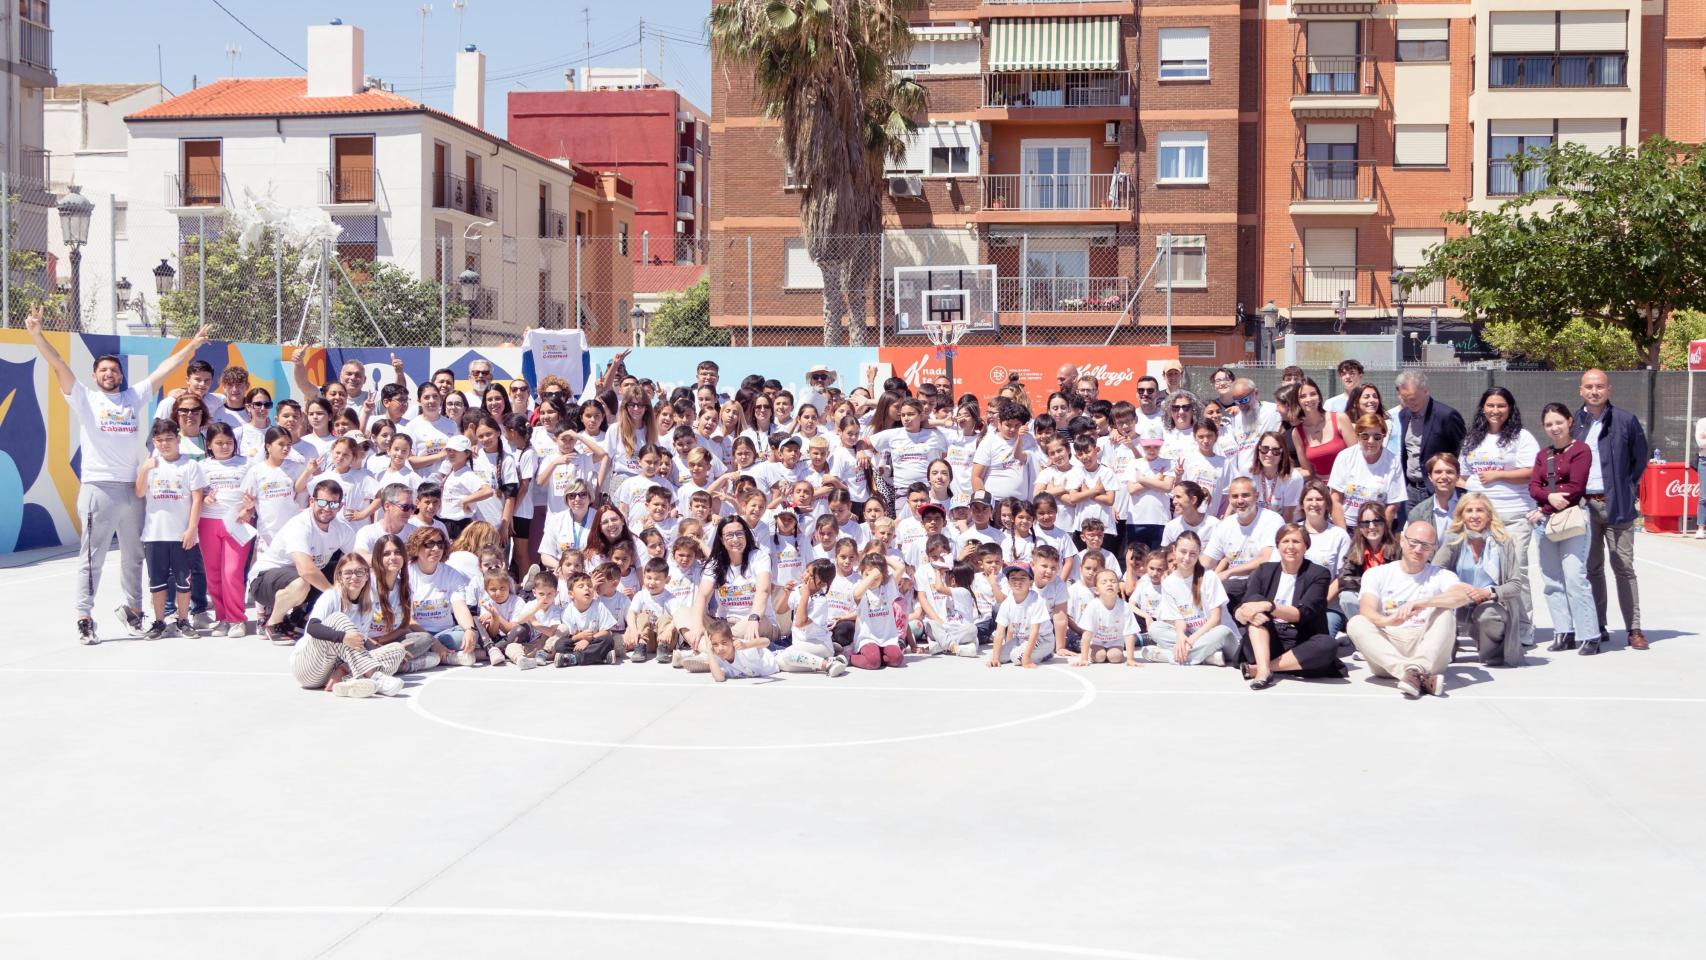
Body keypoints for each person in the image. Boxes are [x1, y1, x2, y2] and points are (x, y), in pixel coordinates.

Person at [24, 305, 210, 643]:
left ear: (121, 376)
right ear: (95, 376)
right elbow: (59, 364)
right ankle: (85, 616)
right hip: (99, 488)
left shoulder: (132, 397)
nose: (109, 373)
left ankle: (133, 611)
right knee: (92, 557)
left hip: (133, 489)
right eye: (103, 370)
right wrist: (37, 335)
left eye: (114, 369)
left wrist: (192, 346)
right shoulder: (84, 398)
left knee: (134, 556)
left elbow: (165, 368)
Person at [1346, 520, 1476, 699]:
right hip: (1388, 652)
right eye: (1413, 543)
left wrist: (1423, 603)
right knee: (1356, 622)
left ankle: (1415, 671)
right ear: (1402, 541)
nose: (1418, 549)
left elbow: (1461, 596)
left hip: (1427, 650)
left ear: (1433, 549)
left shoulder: (1441, 575)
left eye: (1425, 545)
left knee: (1445, 613)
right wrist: (1388, 621)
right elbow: (1366, 610)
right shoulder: (1377, 573)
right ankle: (1414, 673)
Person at [1572, 368, 1648, 650]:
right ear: (1581, 390)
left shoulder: (1626, 421)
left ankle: (1634, 629)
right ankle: (1598, 626)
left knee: (1624, 567)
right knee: (1592, 569)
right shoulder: (1573, 423)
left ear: (1609, 389)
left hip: (1618, 507)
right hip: (1585, 508)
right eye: (1589, 387)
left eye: (1600, 386)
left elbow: (1639, 459)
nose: (1594, 391)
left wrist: (1625, 488)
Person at [1459, 387, 1538, 644]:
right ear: (1483, 408)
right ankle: (1488, 626)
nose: (1495, 410)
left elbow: (1532, 471)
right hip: (1479, 519)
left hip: (1514, 515)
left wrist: (1498, 475)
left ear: (1510, 408)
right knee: (1483, 573)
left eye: (1501, 405)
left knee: (1516, 572)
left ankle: (1523, 627)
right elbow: (1464, 474)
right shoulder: (1472, 438)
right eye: (1490, 405)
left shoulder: (1521, 437)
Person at [1528, 402, 1602, 654]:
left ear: (1570, 422)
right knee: (1551, 580)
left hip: (1572, 521)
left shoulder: (1581, 450)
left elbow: (1576, 487)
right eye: (1549, 424)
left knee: (1574, 577)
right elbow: (1533, 487)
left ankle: (1589, 634)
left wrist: (1545, 505)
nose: (1554, 428)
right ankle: (1563, 631)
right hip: (1546, 523)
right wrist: (1548, 499)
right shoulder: (1543, 455)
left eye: (1559, 422)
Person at [1235, 523, 1343, 689]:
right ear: (1278, 545)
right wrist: (1243, 613)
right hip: (1266, 639)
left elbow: (1303, 613)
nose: (1290, 546)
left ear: (1306, 546)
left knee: (1328, 644)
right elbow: (1245, 606)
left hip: (1301, 642)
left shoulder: (1319, 574)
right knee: (1255, 610)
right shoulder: (1264, 570)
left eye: (1296, 542)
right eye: (1285, 541)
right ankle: (1264, 670)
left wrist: (1269, 606)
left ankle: (1261, 668)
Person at [249, 479, 357, 644]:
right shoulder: (300, 525)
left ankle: (299, 618)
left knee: (347, 571)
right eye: (322, 502)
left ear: (340, 506)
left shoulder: (342, 529)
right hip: (264, 580)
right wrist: (336, 596)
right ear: (312, 501)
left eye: (333, 504)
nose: (327, 508)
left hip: (298, 578)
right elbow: (306, 570)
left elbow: (358, 560)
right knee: (302, 582)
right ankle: (273, 623)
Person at [1431, 493, 1528, 667]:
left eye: (1480, 510)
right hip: (1459, 600)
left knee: (1489, 616)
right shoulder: (1454, 540)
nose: (1474, 515)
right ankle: (1450, 645)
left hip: (1489, 602)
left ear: (1489, 515)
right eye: (1469, 510)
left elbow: (1515, 584)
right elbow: (1435, 572)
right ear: (1461, 515)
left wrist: (1488, 592)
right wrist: (1458, 588)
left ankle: (1491, 651)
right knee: (1441, 622)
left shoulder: (1502, 542)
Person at [294, 553, 406, 698]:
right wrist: (343, 637)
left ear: (367, 576)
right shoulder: (331, 596)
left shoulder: (368, 604)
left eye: (359, 572)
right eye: (348, 573)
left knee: (397, 650)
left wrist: (343, 668)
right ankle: (375, 677)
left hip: (334, 668)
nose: (354, 577)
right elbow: (312, 627)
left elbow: (359, 645)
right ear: (340, 576)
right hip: (309, 667)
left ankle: (346, 682)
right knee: (339, 618)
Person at [136, 419, 203, 640]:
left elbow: (197, 498)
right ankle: (159, 621)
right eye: (159, 440)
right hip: (154, 535)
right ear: (154, 442)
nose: (164, 444)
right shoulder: (150, 465)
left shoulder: (190, 465)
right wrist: (144, 470)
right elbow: (139, 492)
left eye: (169, 439)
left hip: (181, 535)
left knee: (183, 582)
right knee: (157, 582)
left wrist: (192, 528)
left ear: (178, 439)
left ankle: (183, 620)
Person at [1146, 531, 1237, 666]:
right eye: (1183, 552)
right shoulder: (1168, 583)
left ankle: (1170, 656)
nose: (1187, 558)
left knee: (1223, 632)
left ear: (1199, 553)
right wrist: (1181, 636)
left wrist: (1191, 640)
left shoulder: (1209, 577)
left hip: (1217, 637)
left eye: (1193, 553)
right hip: (1194, 637)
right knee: (1155, 628)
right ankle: (1206, 657)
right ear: (1174, 550)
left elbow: (1216, 620)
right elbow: (1179, 619)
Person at [1393, 370, 1467, 507]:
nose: (1409, 403)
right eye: (1404, 399)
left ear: (1426, 391)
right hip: (1410, 490)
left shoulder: (1446, 416)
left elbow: (1462, 451)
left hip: (1438, 489)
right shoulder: (1404, 415)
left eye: (1412, 399)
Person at [1328, 413, 1405, 530]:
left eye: (1377, 436)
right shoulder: (1345, 457)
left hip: (1377, 526)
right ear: (1358, 436)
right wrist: (1343, 533)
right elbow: (1335, 498)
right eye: (1365, 436)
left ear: (1384, 436)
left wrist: (1380, 533)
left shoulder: (1393, 462)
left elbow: (1393, 505)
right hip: (1348, 524)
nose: (1371, 441)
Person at [1337, 501, 1400, 627]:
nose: (1371, 527)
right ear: (1360, 527)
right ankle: (1364, 631)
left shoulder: (1397, 550)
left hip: (1391, 600)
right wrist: (1370, 585)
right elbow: (1344, 578)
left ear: (1384, 524)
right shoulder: (1354, 550)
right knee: (1346, 597)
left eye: (1377, 522)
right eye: (1366, 523)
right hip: (1366, 599)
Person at [1405, 453, 1462, 540]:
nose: (1444, 476)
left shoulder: (1473, 503)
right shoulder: (1418, 514)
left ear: (1457, 476)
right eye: (1438, 472)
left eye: (1449, 472)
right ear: (1430, 477)